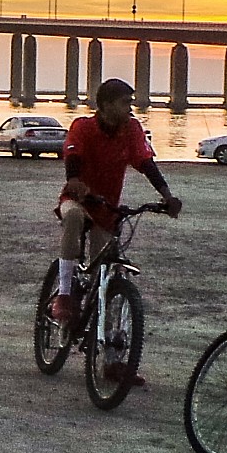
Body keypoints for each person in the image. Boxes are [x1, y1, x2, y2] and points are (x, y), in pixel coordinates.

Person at [50, 78, 182, 385]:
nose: (130, 107)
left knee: (107, 281)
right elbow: (73, 156)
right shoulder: (83, 127)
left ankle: (111, 361)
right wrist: (75, 182)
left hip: (107, 211)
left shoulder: (131, 130)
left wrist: (167, 196)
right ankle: (66, 296)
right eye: (125, 102)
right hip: (79, 200)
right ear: (107, 104)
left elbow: (146, 163)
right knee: (71, 219)